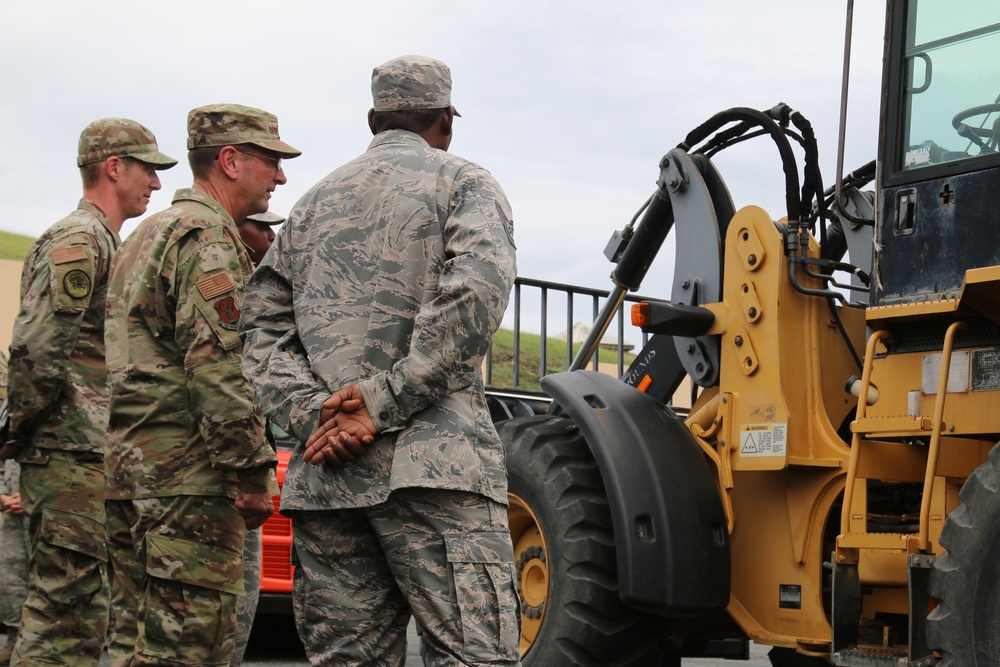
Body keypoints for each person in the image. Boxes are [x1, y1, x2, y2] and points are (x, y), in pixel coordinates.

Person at [241, 55, 521, 666]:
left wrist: (318, 416)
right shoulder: (465, 184)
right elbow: (473, 298)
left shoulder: (311, 207)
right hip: (436, 471)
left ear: (373, 120)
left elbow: (259, 328)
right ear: (446, 120)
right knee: (474, 656)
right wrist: (380, 402)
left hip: (330, 479)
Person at [103, 103, 294, 667]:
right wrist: (251, 469)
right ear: (231, 161)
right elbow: (219, 367)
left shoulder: (147, 232)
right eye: (271, 161)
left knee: (132, 647)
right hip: (188, 485)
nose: (280, 176)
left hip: (131, 475)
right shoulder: (206, 236)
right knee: (190, 651)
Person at [2, 118, 176, 666]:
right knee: (66, 611)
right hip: (68, 448)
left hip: (88, 450)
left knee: (83, 608)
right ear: (113, 167)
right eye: (147, 168)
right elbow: (36, 345)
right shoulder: (80, 239)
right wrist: (18, 428)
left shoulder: (104, 240)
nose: (155, 181)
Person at [230, 208, 284, 667]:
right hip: (222, 478)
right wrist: (251, 476)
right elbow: (227, 383)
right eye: (261, 227)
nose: (270, 238)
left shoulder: (258, 288)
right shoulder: (221, 275)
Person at [0, 352, 28, 667]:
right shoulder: (9, 409)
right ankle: (12, 637)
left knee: (49, 577)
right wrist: (3, 496)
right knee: (9, 578)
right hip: (10, 512)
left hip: (44, 505)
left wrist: (27, 498)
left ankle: (34, 642)